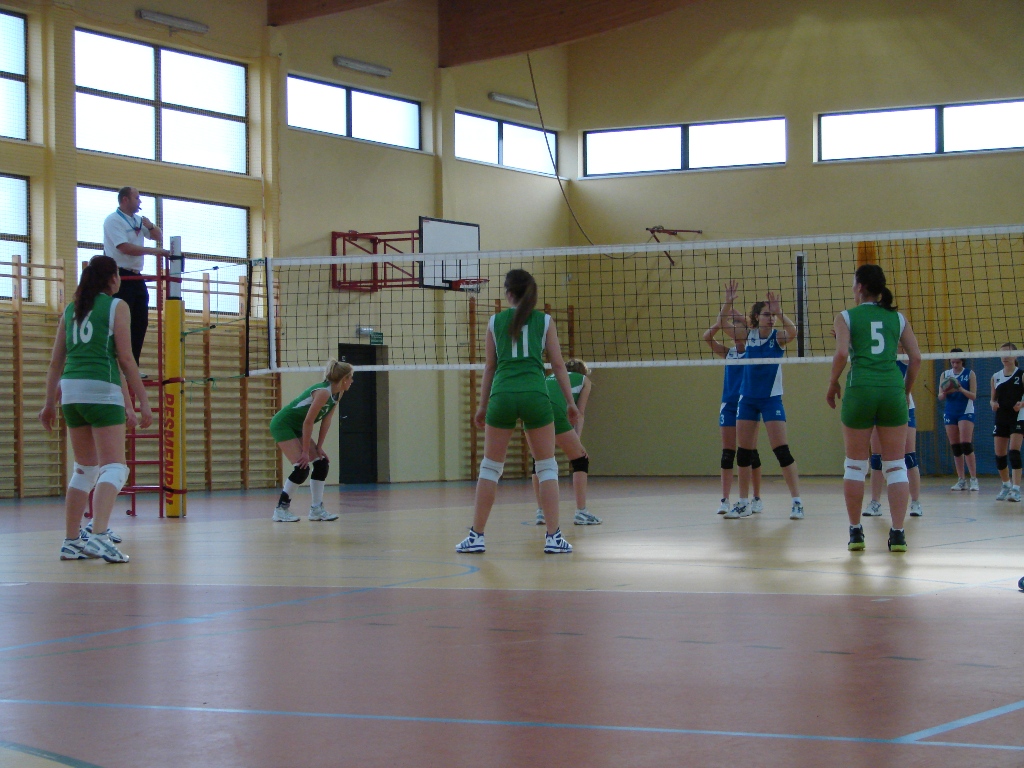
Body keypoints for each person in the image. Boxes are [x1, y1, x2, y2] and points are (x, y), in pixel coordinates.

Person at [39, 255, 153, 563]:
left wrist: (48, 404)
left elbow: (55, 362)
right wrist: (143, 402)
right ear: (113, 278)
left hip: (70, 393)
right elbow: (125, 359)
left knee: (85, 469)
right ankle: (100, 535)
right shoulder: (117, 306)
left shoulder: (71, 309)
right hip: (101, 390)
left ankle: (71, 541)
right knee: (114, 467)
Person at [456, 269, 577, 555]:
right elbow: (558, 365)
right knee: (546, 466)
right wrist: (570, 402)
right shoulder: (545, 321)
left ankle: (476, 536)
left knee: (490, 468)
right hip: (535, 394)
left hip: (503, 395)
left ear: (508, 293)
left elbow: (490, 367)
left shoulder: (494, 321)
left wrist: (482, 406)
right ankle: (554, 537)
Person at [827, 264, 921, 553]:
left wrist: (832, 382)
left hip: (860, 390)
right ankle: (898, 534)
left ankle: (856, 532)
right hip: (892, 390)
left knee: (855, 465)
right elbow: (916, 358)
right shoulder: (898, 317)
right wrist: (905, 391)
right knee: (896, 465)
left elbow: (842, 353)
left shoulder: (846, 316)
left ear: (860, 287)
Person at [723, 290, 802, 520]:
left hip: (771, 399)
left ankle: (797, 502)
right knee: (743, 453)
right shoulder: (748, 335)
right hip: (747, 399)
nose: (771, 318)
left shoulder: (778, 337)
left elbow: (793, 332)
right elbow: (722, 323)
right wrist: (728, 303)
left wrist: (781, 313)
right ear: (757, 317)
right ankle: (744, 503)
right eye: (767, 314)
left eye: (772, 315)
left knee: (781, 451)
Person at [703, 281, 762, 516]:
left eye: (739, 329)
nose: (735, 333)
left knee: (750, 453)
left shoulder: (753, 349)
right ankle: (725, 500)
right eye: (733, 329)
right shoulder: (729, 353)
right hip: (728, 405)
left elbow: (751, 328)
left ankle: (756, 498)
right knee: (728, 454)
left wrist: (740, 318)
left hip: (747, 405)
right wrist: (726, 309)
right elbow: (708, 337)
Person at [270, 360, 354, 522]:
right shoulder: (323, 392)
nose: (352, 381)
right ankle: (281, 509)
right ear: (344, 379)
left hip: (298, 426)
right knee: (301, 468)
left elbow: (326, 420)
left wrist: (319, 447)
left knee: (321, 463)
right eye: (350, 377)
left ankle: (316, 509)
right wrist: (304, 452)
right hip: (283, 424)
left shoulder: (338, 393)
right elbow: (308, 422)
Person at [103, 186, 169, 368]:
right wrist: (153, 251)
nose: (140, 201)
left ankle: (133, 365)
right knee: (122, 321)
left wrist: (150, 225)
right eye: (137, 198)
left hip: (136, 275)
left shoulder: (138, 220)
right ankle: (117, 365)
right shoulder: (113, 220)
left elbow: (157, 236)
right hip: (120, 275)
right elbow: (124, 247)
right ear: (125, 199)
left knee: (140, 321)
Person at [532, 358, 599, 527]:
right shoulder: (584, 380)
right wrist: (578, 441)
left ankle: (541, 512)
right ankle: (581, 512)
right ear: (583, 372)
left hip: (534, 408)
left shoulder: (550, 377)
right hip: (553, 410)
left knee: (539, 461)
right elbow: (579, 413)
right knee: (580, 460)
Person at [863, 346, 924, 518]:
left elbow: (915, 357)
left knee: (909, 457)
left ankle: (915, 502)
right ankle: (875, 502)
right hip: (879, 408)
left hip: (903, 408)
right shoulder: (875, 357)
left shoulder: (904, 356)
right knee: (877, 458)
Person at [938, 347, 979, 491]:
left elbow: (973, 396)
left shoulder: (969, 374)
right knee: (955, 447)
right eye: (952, 362)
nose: (955, 365)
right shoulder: (945, 374)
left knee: (966, 444)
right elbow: (940, 396)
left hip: (965, 411)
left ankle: (973, 479)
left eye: (957, 362)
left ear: (963, 361)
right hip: (950, 412)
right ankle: (961, 480)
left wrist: (960, 388)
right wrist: (945, 391)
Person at [991, 343, 1024, 502]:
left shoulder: (1021, 375)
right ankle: (1006, 485)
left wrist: (1022, 404)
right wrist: (993, 404)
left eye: (1008, 353)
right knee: (1000, 455)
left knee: (1014, 452)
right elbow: (992, 399)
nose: (1005, 356)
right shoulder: (995, 376)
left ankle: (1016, 489)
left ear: (1015, 355)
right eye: (1002, 353)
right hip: (1001, 417)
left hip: (1018, 417)